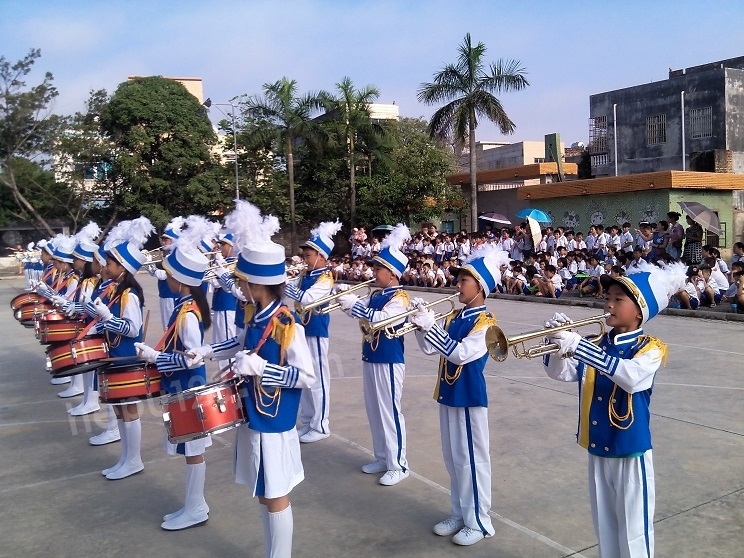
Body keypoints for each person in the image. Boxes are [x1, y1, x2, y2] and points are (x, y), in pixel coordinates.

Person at [186, 202, 314, 558]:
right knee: (262, 491)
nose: (238, 283)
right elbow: (240, 343)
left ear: (257, 283)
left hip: (274, 419)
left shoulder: (288, 324)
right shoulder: (257, 316)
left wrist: (263, 370)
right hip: (252, 413)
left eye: (243, 278)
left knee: (276, 494)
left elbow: (306, 376)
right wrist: (208, 351)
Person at [543, 262, 686, 558]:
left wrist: (579, 346)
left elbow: (631, 377)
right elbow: (562, 373)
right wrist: (556, 344)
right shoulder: (598, 344)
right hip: (598, 447)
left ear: (640, 310)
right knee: (605, 528)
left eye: (618, 299)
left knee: (634, 531)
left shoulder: (650, 348)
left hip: (630, 449)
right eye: (608, 296)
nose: (608, 304)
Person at [410, 245, 508, 546]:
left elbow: (461, 354)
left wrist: (431, 328)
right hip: (449, 394)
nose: (457, 284)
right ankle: (460, 512)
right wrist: (420, 324)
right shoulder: (454, 317)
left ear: (480, 286)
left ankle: (479, 520)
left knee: (472, 460)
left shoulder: (486, 323)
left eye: (463, 280)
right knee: (453, 459)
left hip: (469, 397)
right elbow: (430, 348)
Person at [134, 216, 214, 531]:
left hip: (190, 387)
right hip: (182, 387)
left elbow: (193, 359)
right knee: (188, 448)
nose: (165, 276)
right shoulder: (185, 306)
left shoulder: (187, 314)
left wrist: (156, 357)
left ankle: (196, 507)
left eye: (169, 273)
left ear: (179, 280)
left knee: (193, 449)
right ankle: (195, 504)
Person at [337, 223, 411, 486]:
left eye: (378, 269)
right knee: (374, 410)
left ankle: (398, 464)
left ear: (392, 273)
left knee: (390, 411)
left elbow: (384, 320)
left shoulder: (400, 297)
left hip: (389, 360)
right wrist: (344, 299)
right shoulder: (376, 294)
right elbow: (357, 311)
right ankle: (382, 456)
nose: (373, 272)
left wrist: (357, 306)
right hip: (371, 356)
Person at [88, 217, 154, 480]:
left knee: (129, 409)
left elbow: (132, 329)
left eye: (112, 262)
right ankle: (125, 458)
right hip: (112, 356)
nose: (107, 266)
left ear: (123, 269)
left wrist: (107, 319)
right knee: (118, 408)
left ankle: (134, 459)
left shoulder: (130, 295)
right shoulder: (116, 291)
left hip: (125, 357)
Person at [284, 220, 342, 444]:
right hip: (302, 329)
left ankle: (321, 424)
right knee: (305, 377)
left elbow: (308, 299)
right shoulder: (306, 275)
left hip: (316, 331)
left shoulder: (324, 277)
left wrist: (286, 284)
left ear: (321, 256)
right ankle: (308, 420)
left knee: (318, 379)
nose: (305, 259)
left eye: (308, 256)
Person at [147, 217, 184, 329]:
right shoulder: (168, 256)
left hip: (172, 296)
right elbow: (157, 274)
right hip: (164, 294)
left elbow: (165, 275)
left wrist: (150, 266)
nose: (163, 242)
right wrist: (149, 264)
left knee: (171, 328)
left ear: (173, 240)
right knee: (166, 327)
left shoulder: (176, 257)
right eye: (163, 239)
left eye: (166, 240)